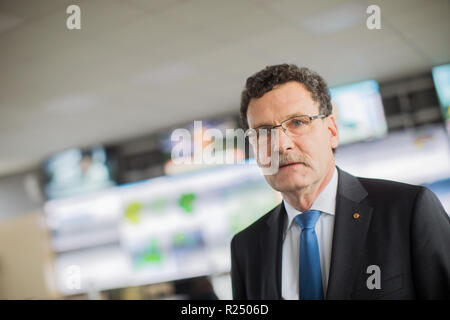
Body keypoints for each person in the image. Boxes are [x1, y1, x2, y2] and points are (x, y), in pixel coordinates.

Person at [231, 64, 450, 300]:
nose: (281, 145)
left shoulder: (408, 210)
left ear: (332, 130)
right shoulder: (246, 247)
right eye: (263, 132)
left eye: (297, 122)